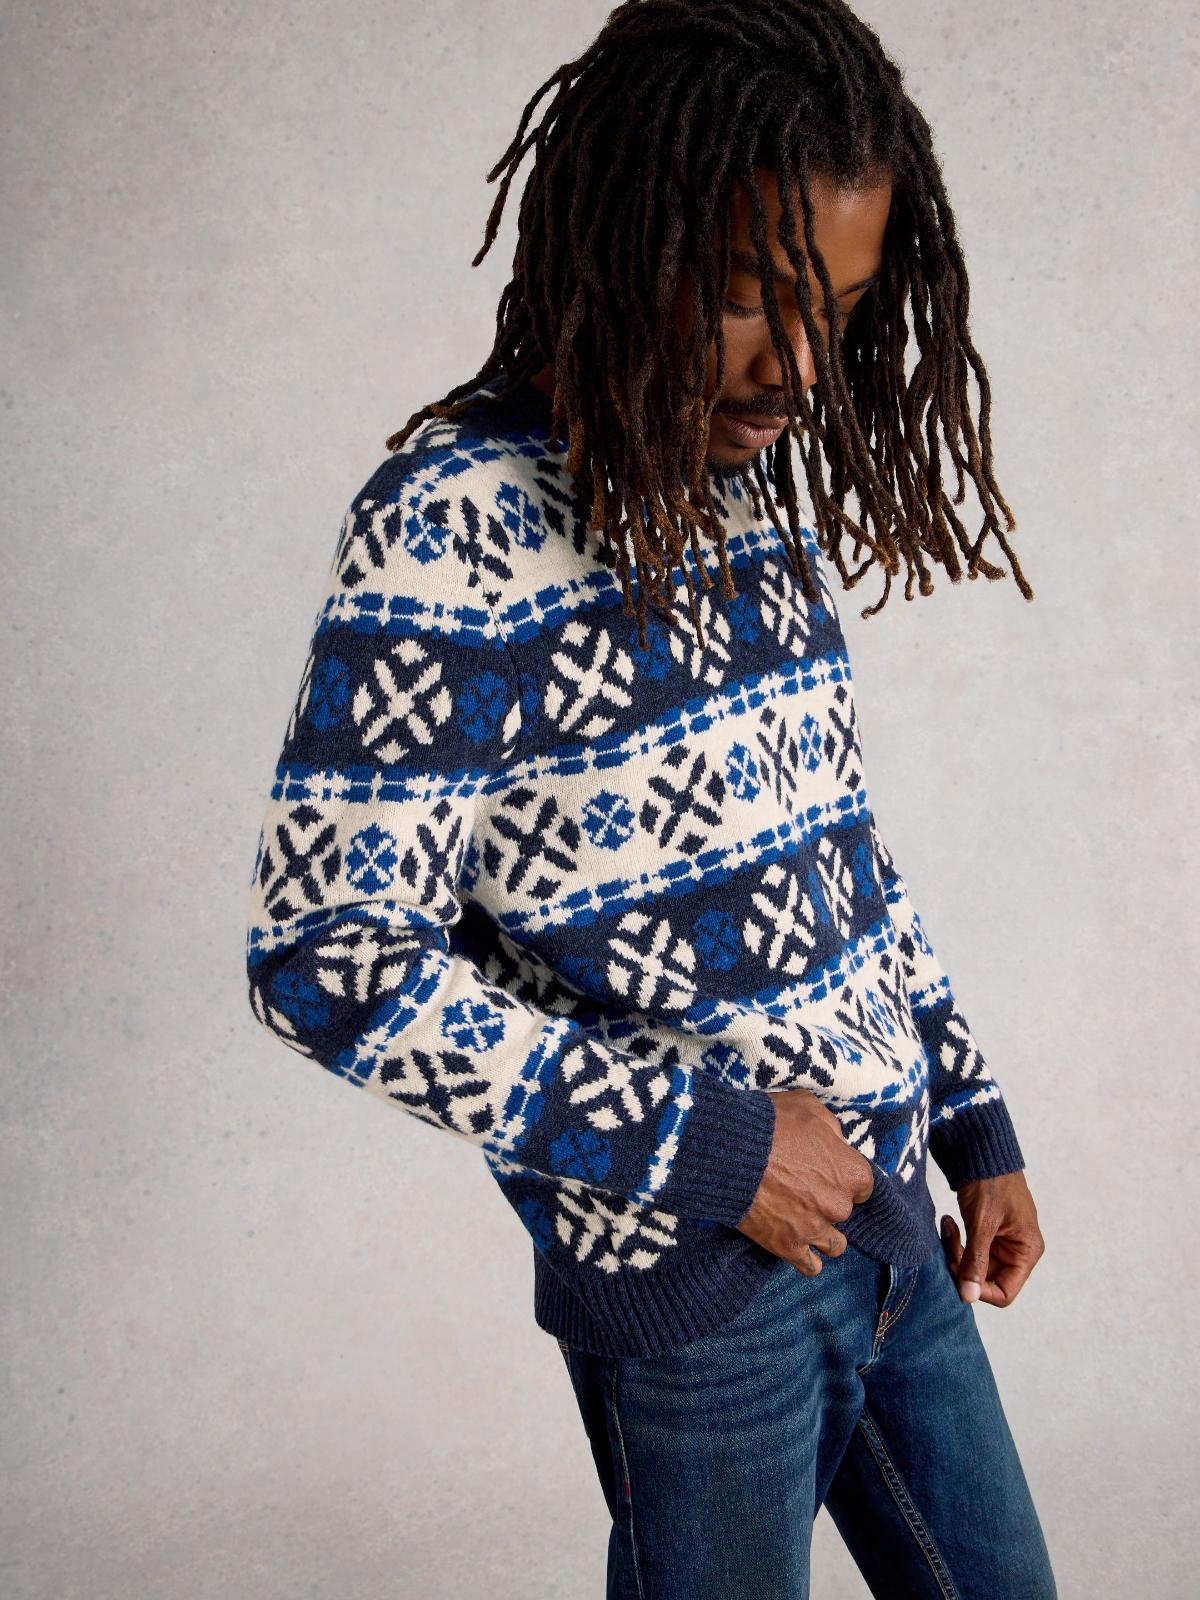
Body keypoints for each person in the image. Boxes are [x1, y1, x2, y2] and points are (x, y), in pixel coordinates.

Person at [244, 1, 1057, 1593]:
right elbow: (328, 958)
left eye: (838, 309)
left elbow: (839, 857)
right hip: (701, 1287)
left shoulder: (745, 493)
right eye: (753, 296)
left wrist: (970, 1112)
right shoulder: (455, 527)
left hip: (894, 1222)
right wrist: (716, 1149)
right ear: (624, 242)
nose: (799, 368)